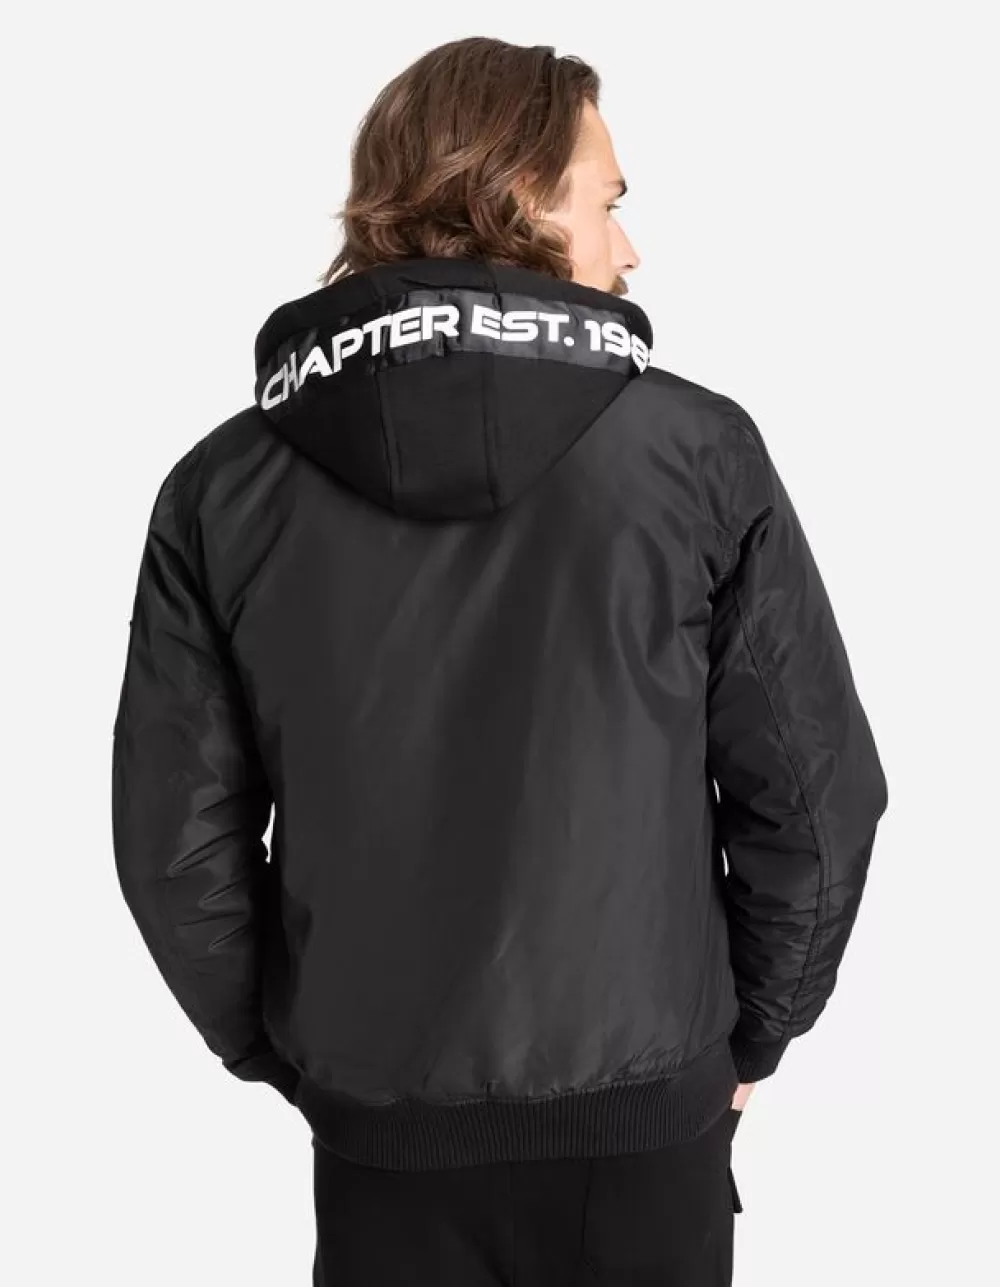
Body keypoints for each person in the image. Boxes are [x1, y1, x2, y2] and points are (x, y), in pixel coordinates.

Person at [111, 36, 889, 1287]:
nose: (629, 248)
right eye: (609, 201)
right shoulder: (694, 455)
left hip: (380, 1131)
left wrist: (296, 1055)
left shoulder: (224, 488)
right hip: (646, 1130)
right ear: (521, 195)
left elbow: (175, 843)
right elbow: (811, 798)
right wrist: (753, 1035)